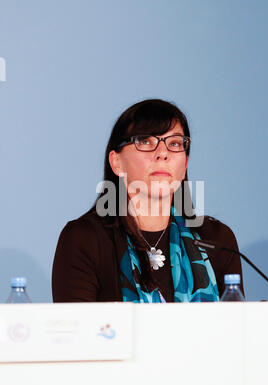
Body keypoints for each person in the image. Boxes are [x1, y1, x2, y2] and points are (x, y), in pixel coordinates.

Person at [52, 99, 244, 303]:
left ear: (185, 163)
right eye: (145, 142)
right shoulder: (84, 240)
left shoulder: (217, 241)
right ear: (116, 162)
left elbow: (236, 331)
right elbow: (78, 332)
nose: (162, 153)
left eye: (175, 143)